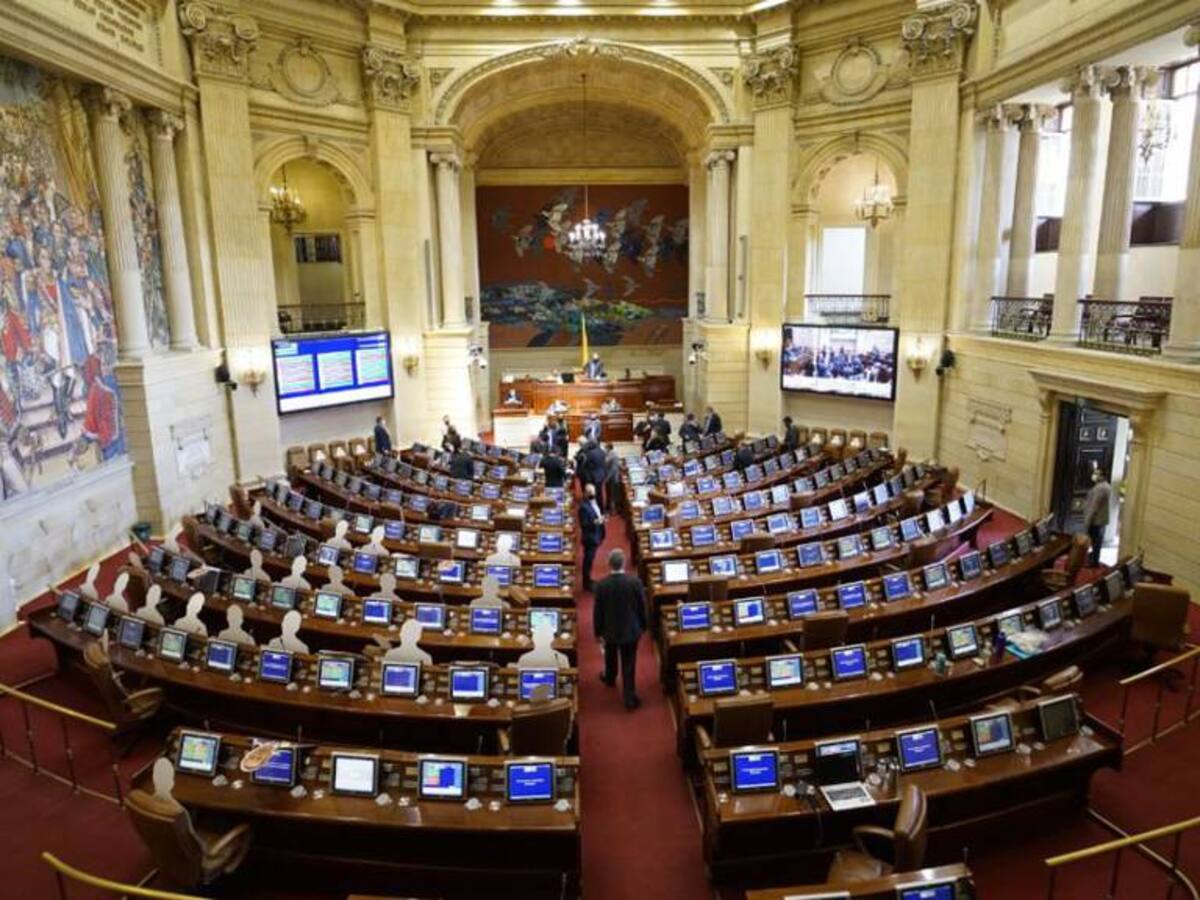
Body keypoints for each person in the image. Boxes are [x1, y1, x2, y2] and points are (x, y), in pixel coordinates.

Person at [593, 548, 646, 711]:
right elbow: (641, 607)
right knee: (629, 664)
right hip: (631, 630)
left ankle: (610, 677)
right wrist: (644, 626)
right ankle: (629, 698)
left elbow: (598, 612)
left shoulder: (601, 586)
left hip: (610, 630)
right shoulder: (635, 583)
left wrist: (598, 632)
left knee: (610, 656)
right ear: (623, 563)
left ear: (609, 564)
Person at [1082, 469, 1112, 567]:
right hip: (1100, 519)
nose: (1094, 475)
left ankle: (1094, 561)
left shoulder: (1101, 488)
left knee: (1095, 541)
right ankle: (1094, 557)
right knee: (1097, 540)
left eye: (1097, 474)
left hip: (1096, 519)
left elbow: (1094, 505)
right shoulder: (1105, 486)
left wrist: (1088, 520)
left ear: (1102, 476)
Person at [578, 483, 605, 591]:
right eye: (590, 492)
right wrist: (596, 522)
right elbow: (584, 525)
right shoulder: (583, 507)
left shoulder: (594, 502)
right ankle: (586, 583)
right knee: (587, 561)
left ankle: (588, 580)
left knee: (590, 559)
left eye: (593, 492)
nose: (592, 494)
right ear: (585, 493)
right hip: (589, 538)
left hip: (596, 535)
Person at [603, 443, 621, 514]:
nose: (604, 450)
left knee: (612, 494)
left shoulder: (612, 455)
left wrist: (607, 478)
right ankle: (608, 507)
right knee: (609, 493)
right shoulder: (612, 454)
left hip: (612, 478)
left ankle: (613, 510)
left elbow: (613, 469)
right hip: (610, 477)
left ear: (608, 448)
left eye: (605, 448)